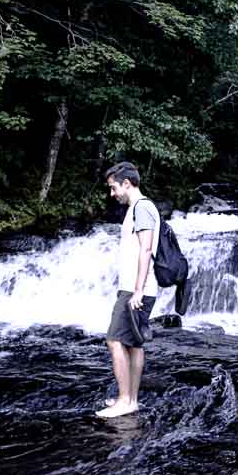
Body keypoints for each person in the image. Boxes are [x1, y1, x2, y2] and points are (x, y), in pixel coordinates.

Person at [97, 161, 160, 418]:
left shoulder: (142, 208)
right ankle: (131, 400)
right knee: (134, 344)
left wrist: (137, 291)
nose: (112, 194)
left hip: (136, 290)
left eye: (113, 188)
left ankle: (125, 401)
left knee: (114, 340)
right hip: (137, 288)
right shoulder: (139, 207)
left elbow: (146, 250)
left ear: (126, 183)